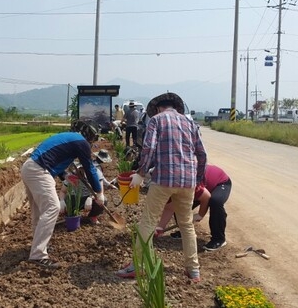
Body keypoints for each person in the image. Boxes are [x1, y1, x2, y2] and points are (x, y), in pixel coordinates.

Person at [115, 92, 207, 283]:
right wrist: (197, 179)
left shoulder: (156, 121)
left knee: (148, 222)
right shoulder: (190, 123)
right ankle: (193, 270)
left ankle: (138, 266)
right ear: (176, 107)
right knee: (186, 225)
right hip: (187, 182)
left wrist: (140, 173)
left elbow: (148, 148)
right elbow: (202, 154)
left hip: (164, 179)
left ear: (158, 108)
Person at [20, 120, 105, 269]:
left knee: (38, 210)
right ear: (91, 136)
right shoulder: (81, 143)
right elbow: (90, 168)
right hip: (39, 171)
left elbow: (54, 157)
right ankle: (38, 254)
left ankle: (39, 246)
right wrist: (99, 192)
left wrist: (64, 175)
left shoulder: (69, 137)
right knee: (53, 208)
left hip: (30, 167)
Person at [155, 165, 232, 251]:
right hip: (198, 192)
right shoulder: (167, 186)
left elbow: (206, 197)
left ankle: (219, 239)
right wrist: (160, 228)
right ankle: (185, 231)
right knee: (180, 205)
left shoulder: (187, 181)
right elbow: (170, 208)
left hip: (220, 183)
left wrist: (200, 215)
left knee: (215, 202)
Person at [58, 149, 115, 224]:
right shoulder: (72, 175)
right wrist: (61, 201)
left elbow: (99, 190)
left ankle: (93, 216)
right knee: (66, 206)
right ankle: (71, 215)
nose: (82, 170)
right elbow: (63, 191)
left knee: (103, 200)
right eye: (81, 168)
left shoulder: (96, 173)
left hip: (90, 197)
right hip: (74, 198)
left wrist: (90, 197)